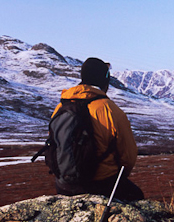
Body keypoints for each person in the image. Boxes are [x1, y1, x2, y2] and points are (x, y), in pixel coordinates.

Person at [52, 57, 144, 201]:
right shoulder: (110, 110)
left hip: (64, 185)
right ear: (104, 80)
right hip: (102, 185)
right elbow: (128, 157)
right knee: (138, 199)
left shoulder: (61, 107)